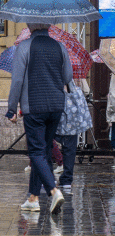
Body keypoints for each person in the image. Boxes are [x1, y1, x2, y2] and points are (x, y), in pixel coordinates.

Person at [6, 23, 72, 214]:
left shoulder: (24, 46)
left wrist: (11, 109)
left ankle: (53, 190)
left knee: (36, 151)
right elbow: (68, 75)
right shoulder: (60, 46)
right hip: (56, 106)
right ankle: (33, 198)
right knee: (43, 151)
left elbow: (17, 80)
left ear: (29, 26)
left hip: (34, 106)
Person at [55, 78, 93, 189]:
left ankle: (47, 177)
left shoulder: (52, 84)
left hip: (56, 120)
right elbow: (86, 91)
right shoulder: (74, 84)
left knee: (47, 143)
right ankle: (67, 179)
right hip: (72, 121)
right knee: (70, 150)